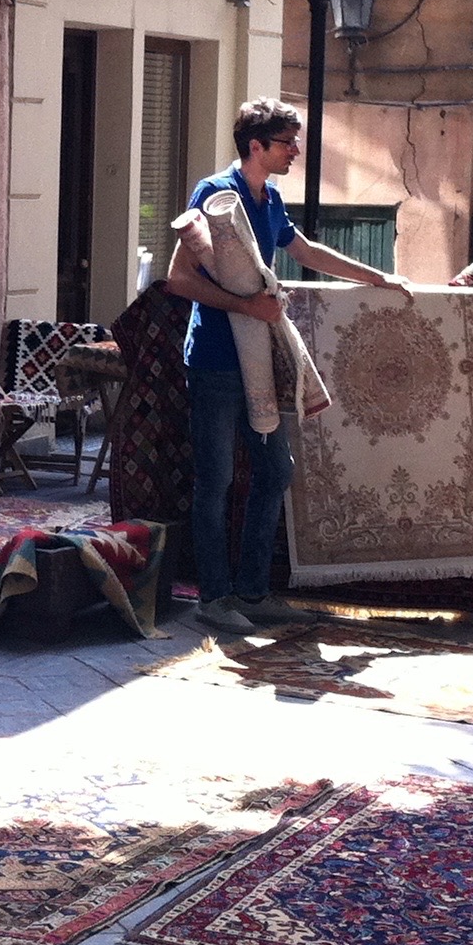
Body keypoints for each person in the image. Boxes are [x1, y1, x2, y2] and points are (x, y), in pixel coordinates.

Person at [165, 98, 411, 634]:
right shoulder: (214, 194)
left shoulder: (270, 196)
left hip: (264, 360)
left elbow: (306, 251)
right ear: (256, 146)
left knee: (276, 471)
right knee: (216, 481)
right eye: (286, 143)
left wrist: (377, 278)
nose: (296, 151)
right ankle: (213, 598)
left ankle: (252, 592)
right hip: (214, 359)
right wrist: (247, 306)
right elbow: (179, 279)